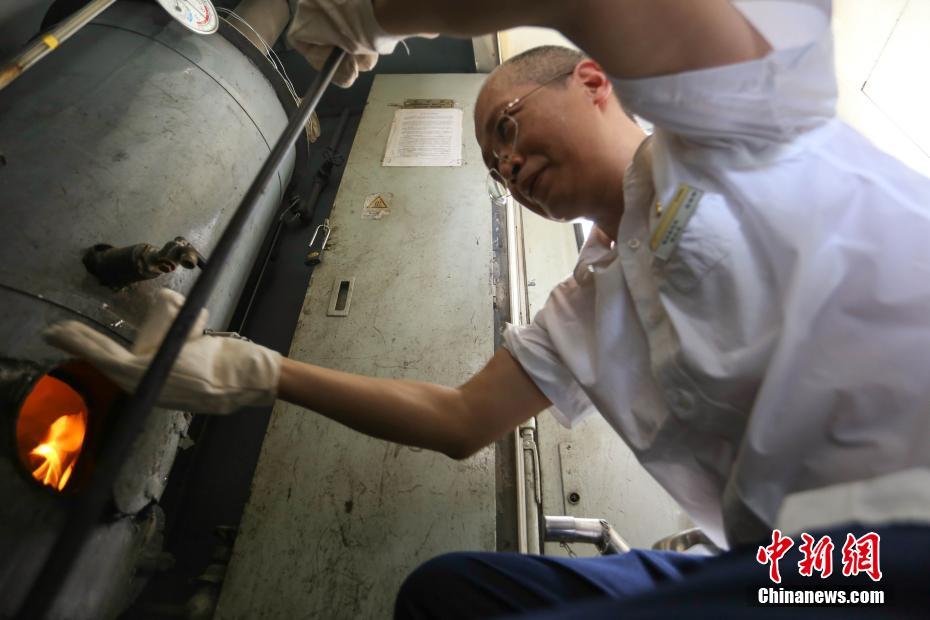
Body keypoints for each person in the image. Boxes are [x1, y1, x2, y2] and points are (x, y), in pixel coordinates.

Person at [45, 0, 930, 616]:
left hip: (902, 521)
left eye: (506, 129)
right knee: (454, 593)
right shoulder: (588, 301)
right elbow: (460, 418)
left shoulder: (724, 135)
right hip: (799, 568)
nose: (508, 169)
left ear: (593, 81)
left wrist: (378, 12)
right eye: (494, 170)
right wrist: (256, 368)